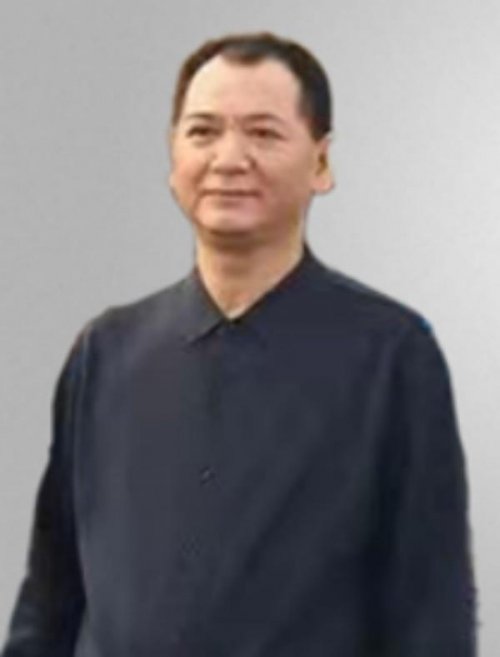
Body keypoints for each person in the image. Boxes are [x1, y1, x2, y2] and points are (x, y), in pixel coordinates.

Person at [1, 31, 478, 656]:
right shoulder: (106, 352)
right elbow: (51, 592)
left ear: (321, 163)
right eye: (203, 131)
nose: (229, 158)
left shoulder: (392, 355)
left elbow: (431, 608)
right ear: (173, 155)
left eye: (263, 132)